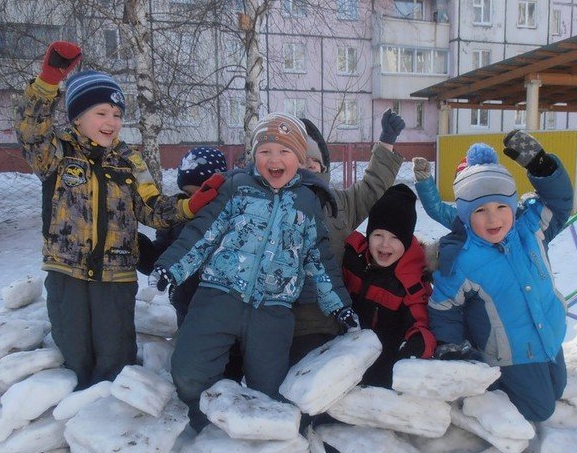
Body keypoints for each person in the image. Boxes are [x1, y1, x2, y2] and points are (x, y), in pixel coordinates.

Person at [15, 41, 212, 389]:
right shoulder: (57, 154)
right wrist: (48, 81)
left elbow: (152, 207)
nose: (112, 122)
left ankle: (110, 417)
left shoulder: (129, 160)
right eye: (102, 113)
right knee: (74, 353)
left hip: (116, 274)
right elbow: (31, 132)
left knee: (116, 354)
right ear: (77, 117)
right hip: (67, 272)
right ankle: (75, 412)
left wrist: (189, 205)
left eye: (118, 114)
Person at [153, 113, 358, 428]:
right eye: (265, 151)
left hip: (273, 310)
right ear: (254, 156)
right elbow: (203, 233)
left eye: (284, 151)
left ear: (299, 159)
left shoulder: (307, 203)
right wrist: (171, 267)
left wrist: (339, 306)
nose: (274, 159)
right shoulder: (236, 187)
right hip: (218, 296)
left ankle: (262, 442)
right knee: (189, 370)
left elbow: (319, 259)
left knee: (269, 388)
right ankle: (203, 428)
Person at [428, 132, 574, 422]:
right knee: (541, 409)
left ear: (512, 205)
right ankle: (490, 392)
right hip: (511, 352)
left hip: (549, 334)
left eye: (501, 207)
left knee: (558, 390)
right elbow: (443, 305)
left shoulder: (530, 229)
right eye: (480, 211)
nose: (493, 219)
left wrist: (543, 167)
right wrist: (452, 345)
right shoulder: (463, 259)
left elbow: (559, 203)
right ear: (465, 215)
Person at [290, 109, 407, 362]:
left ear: (323, 167)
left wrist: (386, 141)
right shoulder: (268, 205)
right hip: (284, 327)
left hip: (336, 323)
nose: (306, 171)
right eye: (299, 164)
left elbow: (372, 188)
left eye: (312, 164)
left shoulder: (338, 204)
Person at [341, 184, 436, 387]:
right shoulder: (352, 258)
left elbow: (420, 321)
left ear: (407, 242)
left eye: (395, 238)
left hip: (385, 359)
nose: (385, 244)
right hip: (345, 350)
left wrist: (417, 342)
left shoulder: (412, 280)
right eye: (378, 235)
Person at [136, 146, 228, 326]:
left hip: (224, 312)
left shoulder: (229, 217)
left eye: (201, 193)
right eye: (188, 194)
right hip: (186, 308)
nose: (195, 201)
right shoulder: (178, 217)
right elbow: (161, 257)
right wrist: (137, 245)